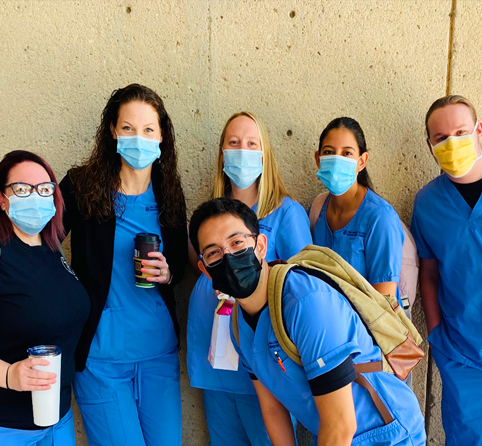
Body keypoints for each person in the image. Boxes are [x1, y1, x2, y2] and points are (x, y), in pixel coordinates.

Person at [189, 197, 426, 446]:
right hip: (329, 433)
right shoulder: (239, 325)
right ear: (205, 270)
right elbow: (272, 408)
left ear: (260, 245)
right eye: (213, 252)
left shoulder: (306, 302)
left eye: (237, 242)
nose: (228, 257)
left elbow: (342, 424)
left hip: (384, 435)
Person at [60, 84, 187, 446]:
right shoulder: (82, 186)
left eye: (149, 129)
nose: (138, 137)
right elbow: (41, 241)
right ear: (113, 131)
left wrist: (168, 271)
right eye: (128, 128)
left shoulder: (168, 192)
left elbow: (178, 261)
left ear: (162, 137)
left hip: (158, 356)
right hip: (101, 358)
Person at [187, 112, 312, 446]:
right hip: (216, 361)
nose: (242, 150)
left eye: (251, 143)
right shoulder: (208, 214)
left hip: (262, 365)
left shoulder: (286, 212)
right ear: (222, 153)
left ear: (264, 154)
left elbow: (301, 282)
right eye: (233, 143)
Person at [0, 150, 90, 445]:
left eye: (45, 189)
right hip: (9, 428)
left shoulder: (53, 249)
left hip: (58, 420)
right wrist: (9, 375)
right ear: (2, 200)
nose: (35, 197)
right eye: (22, 189)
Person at [411, 95, 482, 445]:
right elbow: (429, 273)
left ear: (479, 131)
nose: (452, 143)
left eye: (460, 131)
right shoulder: (427, 203)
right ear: (429, 145)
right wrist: (437, 335)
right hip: (461, 352)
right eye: (441, 138)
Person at [311, 117, 404, 300]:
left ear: (362, 161)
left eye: (347, 153)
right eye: (329, 152)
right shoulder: (316, 210)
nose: (337, 160)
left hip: (366, 327)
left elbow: (384, 303)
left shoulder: (380, 218)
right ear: (318, 159)